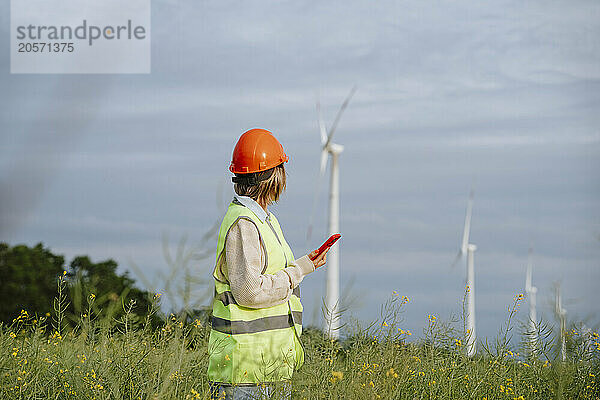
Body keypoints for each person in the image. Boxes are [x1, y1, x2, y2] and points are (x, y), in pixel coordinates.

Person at [207, 128, 329, 400]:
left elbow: (272, 275)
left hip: (268, 368)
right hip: (245, 373)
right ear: (274, 176)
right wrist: (297, 272)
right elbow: (250, 291)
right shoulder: (244, 223)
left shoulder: (264, 220)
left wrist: (304, 266)